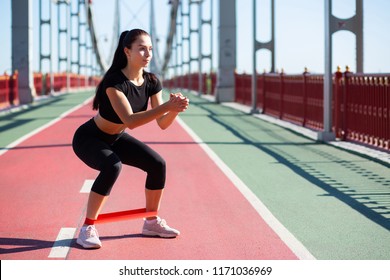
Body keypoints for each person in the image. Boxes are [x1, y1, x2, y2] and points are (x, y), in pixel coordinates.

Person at [72, 29, 189, 249]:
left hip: (116, 137)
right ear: (127, 51)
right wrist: (167, 106)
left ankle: (151, 222)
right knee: (112, 165)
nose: (148, 54)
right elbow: (131, 120)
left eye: (151, 49)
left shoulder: (152, 81)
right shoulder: (114, 82)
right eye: (142, 48)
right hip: (89, 138)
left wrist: (175, 110)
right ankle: (87, 227)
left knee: (157, 164)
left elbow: (162, 123)